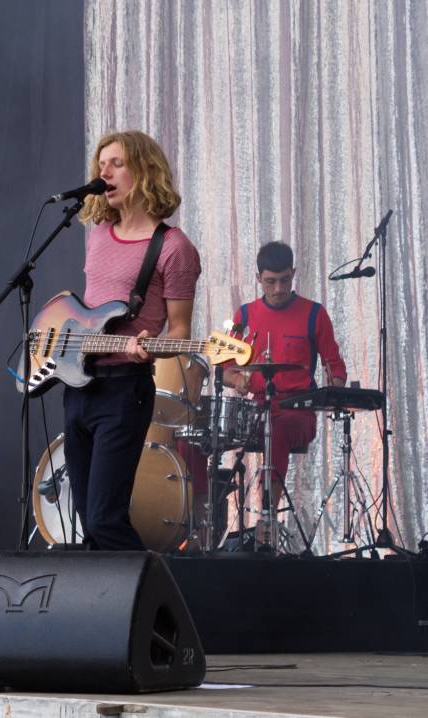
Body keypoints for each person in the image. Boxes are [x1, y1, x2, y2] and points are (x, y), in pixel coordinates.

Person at [64, 130, 202, 550]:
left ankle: (152, 603)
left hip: (125, 390)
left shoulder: (174, 248)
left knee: (106, 520)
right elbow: (86, 310)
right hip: (79, 384)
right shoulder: (98, 235)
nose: (103, 172)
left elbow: (179, 329)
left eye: (116, 164)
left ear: (144, 171)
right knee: (88, 520)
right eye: (100, 164)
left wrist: (148, 345)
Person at [229, 241, 346, 515]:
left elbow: (336, 367)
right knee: (202, 435)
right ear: (258, 278)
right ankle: (202, 526)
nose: (279, 289)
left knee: (275, 431)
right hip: (254, 409)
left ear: (293, 273)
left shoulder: (314, 313)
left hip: (298, 411)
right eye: (270, 282)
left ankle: (266, 517)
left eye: (284, 280)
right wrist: (237, 380)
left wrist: (334, 389)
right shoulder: (244, 315)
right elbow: (226, 369)